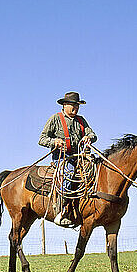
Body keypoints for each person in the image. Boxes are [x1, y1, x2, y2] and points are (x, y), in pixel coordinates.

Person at [39, 92, 97, 226]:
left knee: (97, 170)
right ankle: (61, 211)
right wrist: (55, 142)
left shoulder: (81, 120)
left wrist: (89, 137)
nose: (75, 108)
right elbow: (42, 139)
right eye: (72, 105)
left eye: (77, 105)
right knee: (69, 173)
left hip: (81, 157)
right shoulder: (55, 119)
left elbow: (93, 134)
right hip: (62, 158)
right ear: (64, 105)